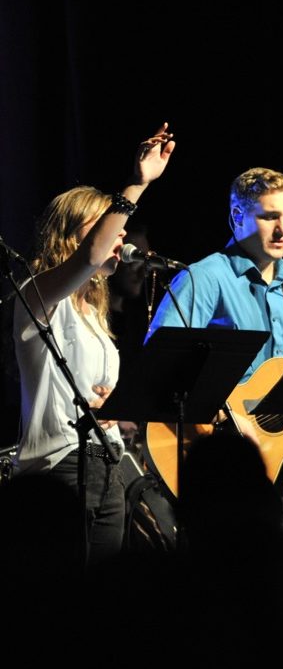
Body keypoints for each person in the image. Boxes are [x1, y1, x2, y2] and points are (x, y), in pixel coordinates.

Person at [11, 123, 175, 567]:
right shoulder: (39, 295)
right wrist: (138, 184)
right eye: (107, 226)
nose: (120, 236)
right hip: (60, 470)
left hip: (108, 466)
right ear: (71, 234)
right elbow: (88, 258)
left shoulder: (95, 317)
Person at [144, 167, 283, 548]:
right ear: (237, 216)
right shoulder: (204, 278)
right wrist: (224, 415)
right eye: (269, 216)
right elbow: (161, 365)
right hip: (219, 471)